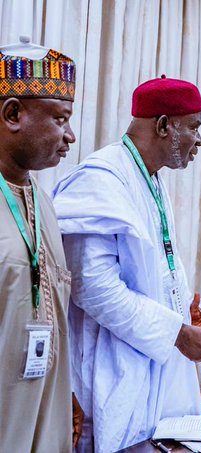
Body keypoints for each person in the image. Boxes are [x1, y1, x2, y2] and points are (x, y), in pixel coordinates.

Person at [52, 76, 201, 452]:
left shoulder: (149, 178)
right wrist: (177, 333)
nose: (199, 140)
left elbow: (154, 268)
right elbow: (93, 288)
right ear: (163, 126)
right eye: (193, 127)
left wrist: (185, 311)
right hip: (112, 372)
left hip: (152, 370)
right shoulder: (101, 180)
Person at [0, 39, 85, 452]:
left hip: (45, 417)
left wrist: (65, 389)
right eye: (59, 118)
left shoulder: (44, 203)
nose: (70, 136)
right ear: (13, 114)